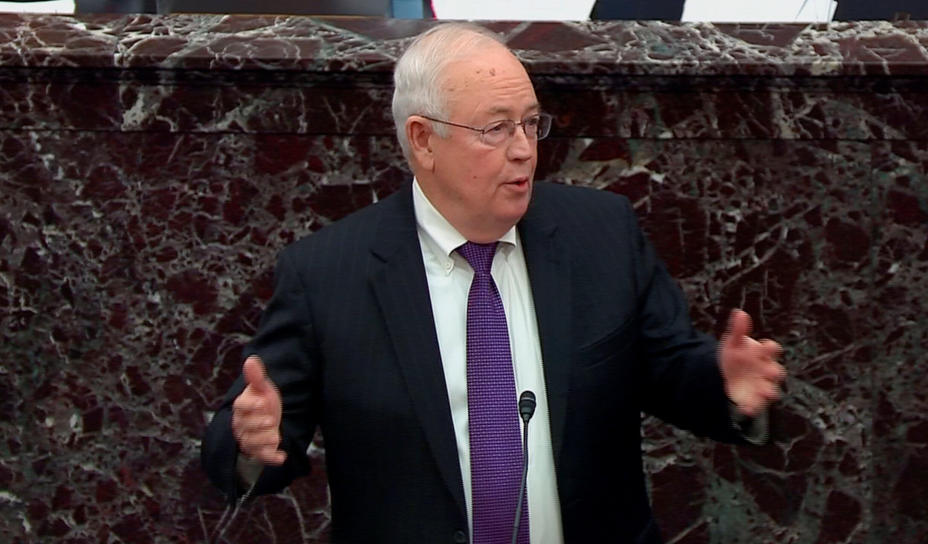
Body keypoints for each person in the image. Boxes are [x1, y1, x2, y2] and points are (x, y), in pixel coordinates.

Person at [201, 22, 786, 543]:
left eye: (531, 124)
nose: (524, 151)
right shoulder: (329, 275)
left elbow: (668, 369)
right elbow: (253, 450)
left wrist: (724, 385)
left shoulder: (600, 236)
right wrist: (249, 441)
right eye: (496, 129)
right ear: (424, 140)